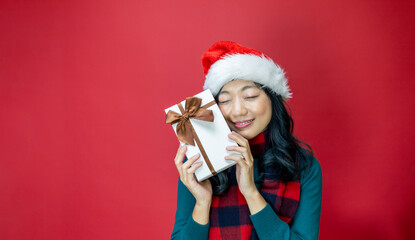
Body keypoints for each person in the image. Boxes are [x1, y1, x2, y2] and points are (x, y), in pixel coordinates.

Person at [170, 41, 322, 240]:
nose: (238, 111)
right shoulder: (198, 161)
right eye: (224, 101)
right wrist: (202, 202)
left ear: (272, 98)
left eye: (250, 96)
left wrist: (250, 193)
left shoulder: (304, 166)